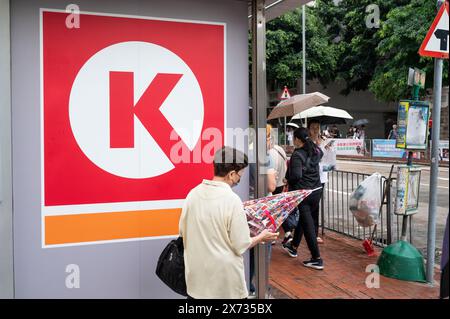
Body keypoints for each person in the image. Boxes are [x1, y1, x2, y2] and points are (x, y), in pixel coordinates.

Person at [179, 146, 278, 299]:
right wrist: (261, 237)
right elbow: (240, 244)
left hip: (196, 283)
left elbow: (183, 232)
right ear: (231, 174)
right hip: (225, 286)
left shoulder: (193, 194)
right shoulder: (231, 200)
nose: (240, 179)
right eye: (240, 175)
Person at [282, 127, 324, 270]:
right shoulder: (315, 150)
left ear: (298, 139)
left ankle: (316, 258)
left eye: (294, 138)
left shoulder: (298, 154)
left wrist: (287, 179)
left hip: (304, 193)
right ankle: (293, 247)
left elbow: (296, 175)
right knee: (304, 220)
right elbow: (321, 153)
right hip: (317, 190)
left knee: (308, 226)